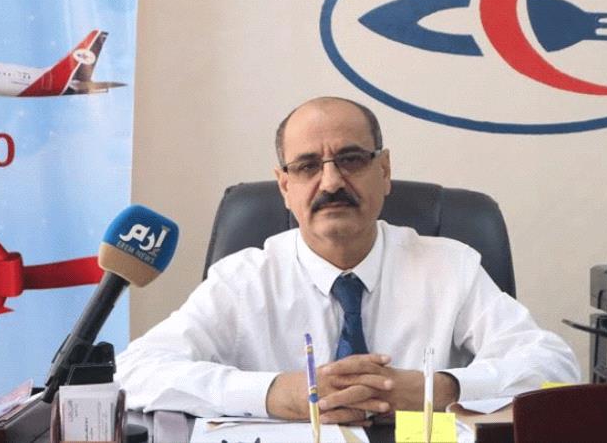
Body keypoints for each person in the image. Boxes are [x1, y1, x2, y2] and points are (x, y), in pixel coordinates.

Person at [115, 96, 580, 424]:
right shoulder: (243, 279)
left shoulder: (449, 266)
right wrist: (275, 393)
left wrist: (438, 388)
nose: (332, 182)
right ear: (285, 187)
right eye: (307, 167)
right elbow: (136, 371)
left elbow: (555, 365)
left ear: (384, 171)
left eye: (352, 159)